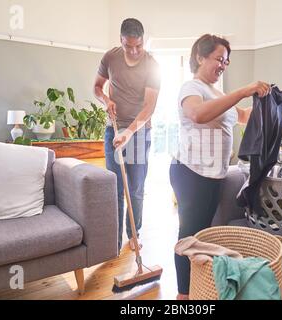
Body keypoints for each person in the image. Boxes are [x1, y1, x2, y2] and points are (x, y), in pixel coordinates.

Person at [170, 34, 282, 300]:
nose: (223, 65)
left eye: (226, 61)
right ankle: (183, 295)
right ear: (200, 57)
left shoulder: (219, 93)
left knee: (203, 234)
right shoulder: (191, 87)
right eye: (219, 59)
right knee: (189, 233)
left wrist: (275, 100)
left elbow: (244, 116)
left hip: (214, 175)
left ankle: (199, 288)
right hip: (190, 172)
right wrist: (242, 91)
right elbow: (198, 114)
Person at [94, 18, 161, 251]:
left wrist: (130, 133)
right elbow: (97, 87)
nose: (133, 51)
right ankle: (114, 239)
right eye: (128, 46)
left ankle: (134, 234)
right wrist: (106, 99)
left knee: (135, 188)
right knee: (115, 187)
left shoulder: (152, 65)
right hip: (113, 128)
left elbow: (149, 107)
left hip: (139, 132)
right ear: (121, 40)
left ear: (144, 41)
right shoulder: (110, 58)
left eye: (138, 46)